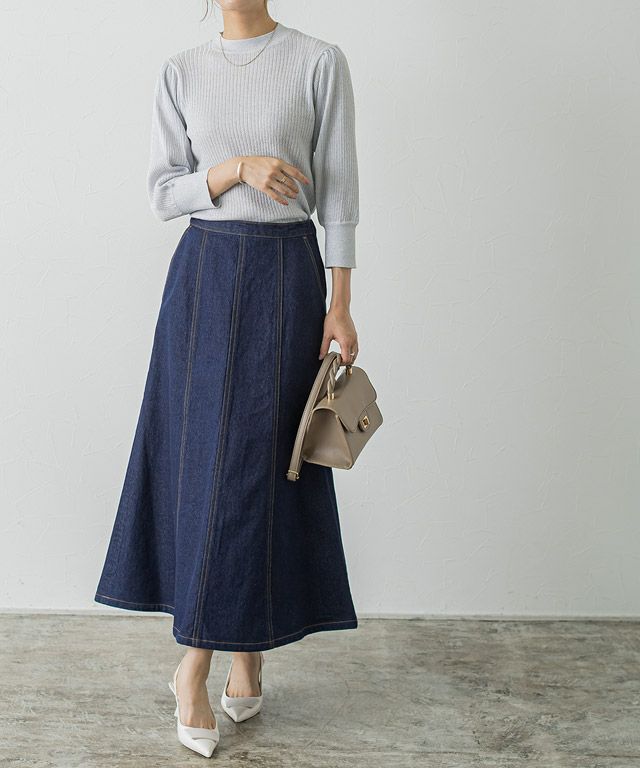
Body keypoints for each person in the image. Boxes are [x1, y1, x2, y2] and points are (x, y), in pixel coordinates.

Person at [94, 0, 360, 757]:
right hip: (205, 277)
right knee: (208, 469)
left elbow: (339, 193)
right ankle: (195, 666)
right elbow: (162, 193)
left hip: (288, 276)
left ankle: (247, 649)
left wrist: (341, 304)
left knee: (267, 465)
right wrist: (235, 169)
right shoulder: (182, 70)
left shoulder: (318, 61)